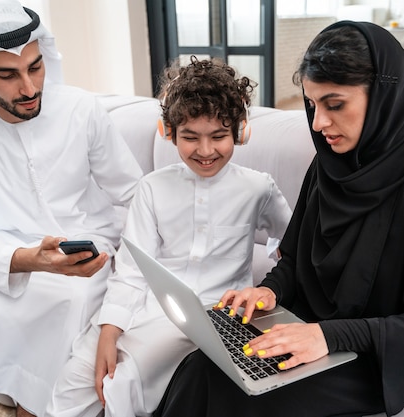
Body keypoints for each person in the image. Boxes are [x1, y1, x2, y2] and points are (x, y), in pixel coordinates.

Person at [152, 21, 404, 417]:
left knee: (243, 398)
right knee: (202, 367)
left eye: (334, 104)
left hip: (374, 358)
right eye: (311, 104)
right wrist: (270, 291)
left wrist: (327, 335)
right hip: (304, 330)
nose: (317, 123)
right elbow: (294, 261)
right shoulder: (328, 166)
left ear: (382, 96)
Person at [0, 1, 143, 416]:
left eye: (35, 67)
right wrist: (29, 259)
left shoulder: (82, 109)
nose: (28, 88)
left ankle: (32, 409)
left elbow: (133, 194)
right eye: (7, 74)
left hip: (81, 250)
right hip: (1, 248)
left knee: (69, 301)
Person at [46, 56, 292, 417]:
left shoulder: (259, 188)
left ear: (240, 131)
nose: (205, 151)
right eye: (190, 137)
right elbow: (130, 270)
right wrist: (109, 331)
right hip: (144, 307)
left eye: (219, 136)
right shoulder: (151, 188)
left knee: (122, 380)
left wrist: (276, 281)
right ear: (168, 131)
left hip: (210, 318)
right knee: (74, 381)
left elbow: (290, 244)